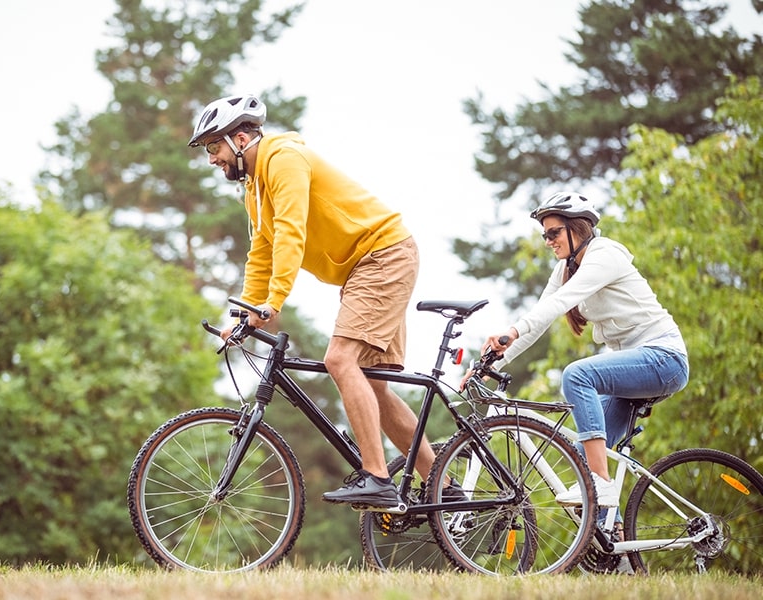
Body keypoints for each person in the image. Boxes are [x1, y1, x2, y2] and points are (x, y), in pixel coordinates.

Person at [188, 94, 452, 510]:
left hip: (382, 255)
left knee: (339, 360)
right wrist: (243, 314)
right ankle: (444, 486)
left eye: (214, 148)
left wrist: (274, 302)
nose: (211, 160)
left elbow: (291, 232)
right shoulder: (254, 189)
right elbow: (262, 251)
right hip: (365, 267)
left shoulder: (284, 158)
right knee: (374, 386)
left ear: (240, 138)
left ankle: (377, 477)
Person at [472, 191, 689, 507]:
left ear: (578, 228)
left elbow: (560, 303)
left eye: (553, 232)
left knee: (576, 376)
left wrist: (511, 332)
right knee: (581, 451)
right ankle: (603, 539)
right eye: (545, 235)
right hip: (639, 367)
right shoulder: (564, 269)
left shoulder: (605, 255)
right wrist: (491, 366)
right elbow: (541, 315)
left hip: (664, 358)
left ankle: (598, 484)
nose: (548, 241)